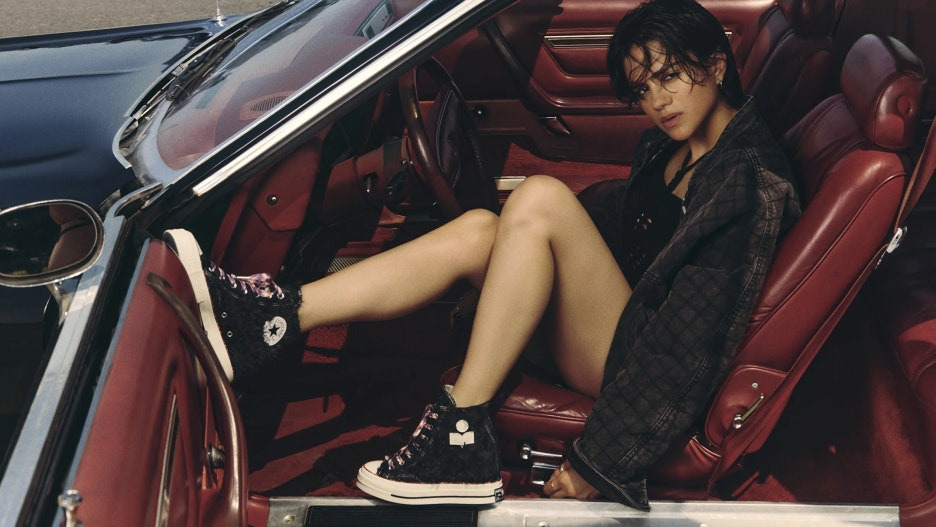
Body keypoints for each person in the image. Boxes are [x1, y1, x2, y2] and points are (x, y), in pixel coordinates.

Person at [165, 0, 801, 510]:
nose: (657, 100)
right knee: (480, 229)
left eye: (670, 75)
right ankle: (273, 318)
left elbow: (686, 347)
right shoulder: (671, 147)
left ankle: (459, 434)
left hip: (636, 359)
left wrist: (598, 463)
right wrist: (529, 247)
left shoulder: (744, 186)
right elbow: (621, 224)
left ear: (715, 65)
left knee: (541, 199)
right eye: (641, 88)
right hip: (626, 317)